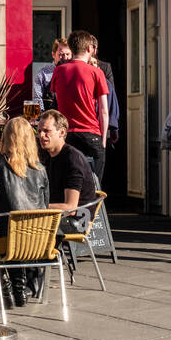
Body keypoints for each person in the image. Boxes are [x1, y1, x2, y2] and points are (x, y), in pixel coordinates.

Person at [0, 117, 50, 306]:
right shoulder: (41, 169)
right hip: (38, 242)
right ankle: (19, 290)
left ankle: (5, 289)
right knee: (15, 233)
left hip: (9, 241)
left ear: (6, 137)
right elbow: (45, 203)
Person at [48, 30, 109, 180]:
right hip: (91, 134)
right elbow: (103, 110)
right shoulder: (96, 72)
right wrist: (103, 140)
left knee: (68, 182)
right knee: (94, 186)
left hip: (67, 135)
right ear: (89, 48)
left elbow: (55, 97)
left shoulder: (59, 71)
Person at [38, 110, 97, 222]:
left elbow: (71, 207)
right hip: (56, 216)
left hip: (77, 220)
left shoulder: (72, 159)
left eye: (46, 131)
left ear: (61, 132)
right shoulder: (47, 155)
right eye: (39, 131)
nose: (41, 135)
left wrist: (37, 207)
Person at [88, 34, 121, 178]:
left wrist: (113, 128)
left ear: (94, 49)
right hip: (89, 122)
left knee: (98, 166)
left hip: (102, 120)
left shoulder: (104, 67)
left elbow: (110, 94)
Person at [31, 38, 71, 108]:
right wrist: (42, 116)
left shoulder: (75, 72)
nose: (65, 58)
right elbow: (37, 99)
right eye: (61, 55)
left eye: (67, 54)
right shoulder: (43, 74)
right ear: (53, 54)